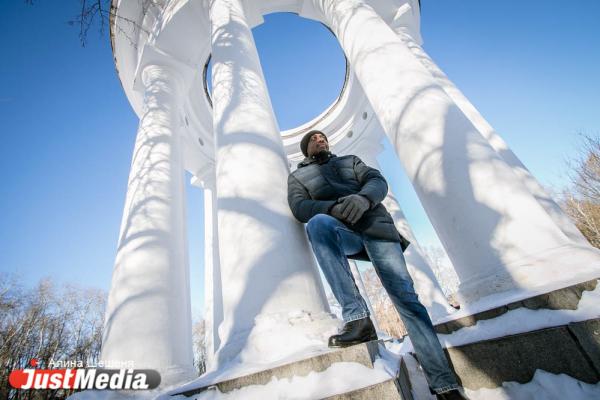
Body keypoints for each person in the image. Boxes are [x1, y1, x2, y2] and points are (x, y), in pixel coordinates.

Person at [287, 130, 467, 400]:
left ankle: (444, 386)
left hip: (377, 229)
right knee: (317, 224)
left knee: (406, 299)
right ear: (306, 149)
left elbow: (377, 180)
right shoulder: (297, 177)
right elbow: (300, 207)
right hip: (341, 229)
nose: (321, 140)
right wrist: (333, 207)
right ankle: (358, 319)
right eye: (314, 139)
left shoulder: (350, 161)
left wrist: (364, 198)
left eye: (324, 138)